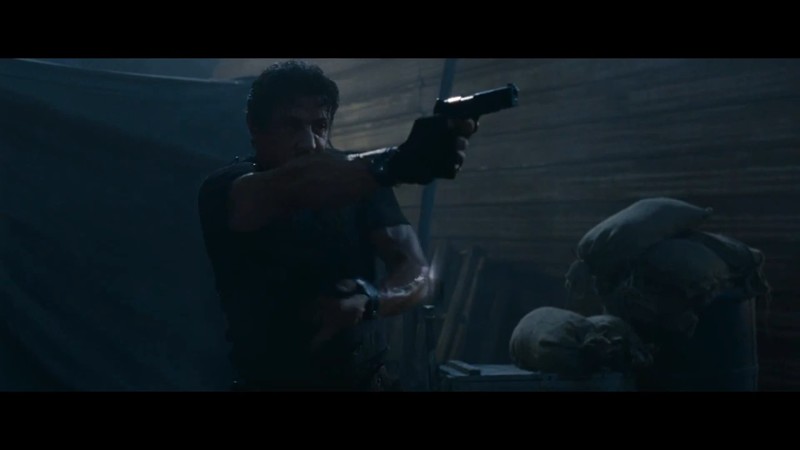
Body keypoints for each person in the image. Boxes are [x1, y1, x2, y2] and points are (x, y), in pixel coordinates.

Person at [198, 60, 476, 391]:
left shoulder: (360, 181)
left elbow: (418, 272)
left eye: (319, 126)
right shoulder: (228, 188)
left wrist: (373, 300)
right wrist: (398, 162)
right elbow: (298, 184)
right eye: (291, 126)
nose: (309, 142)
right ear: (256, 129)